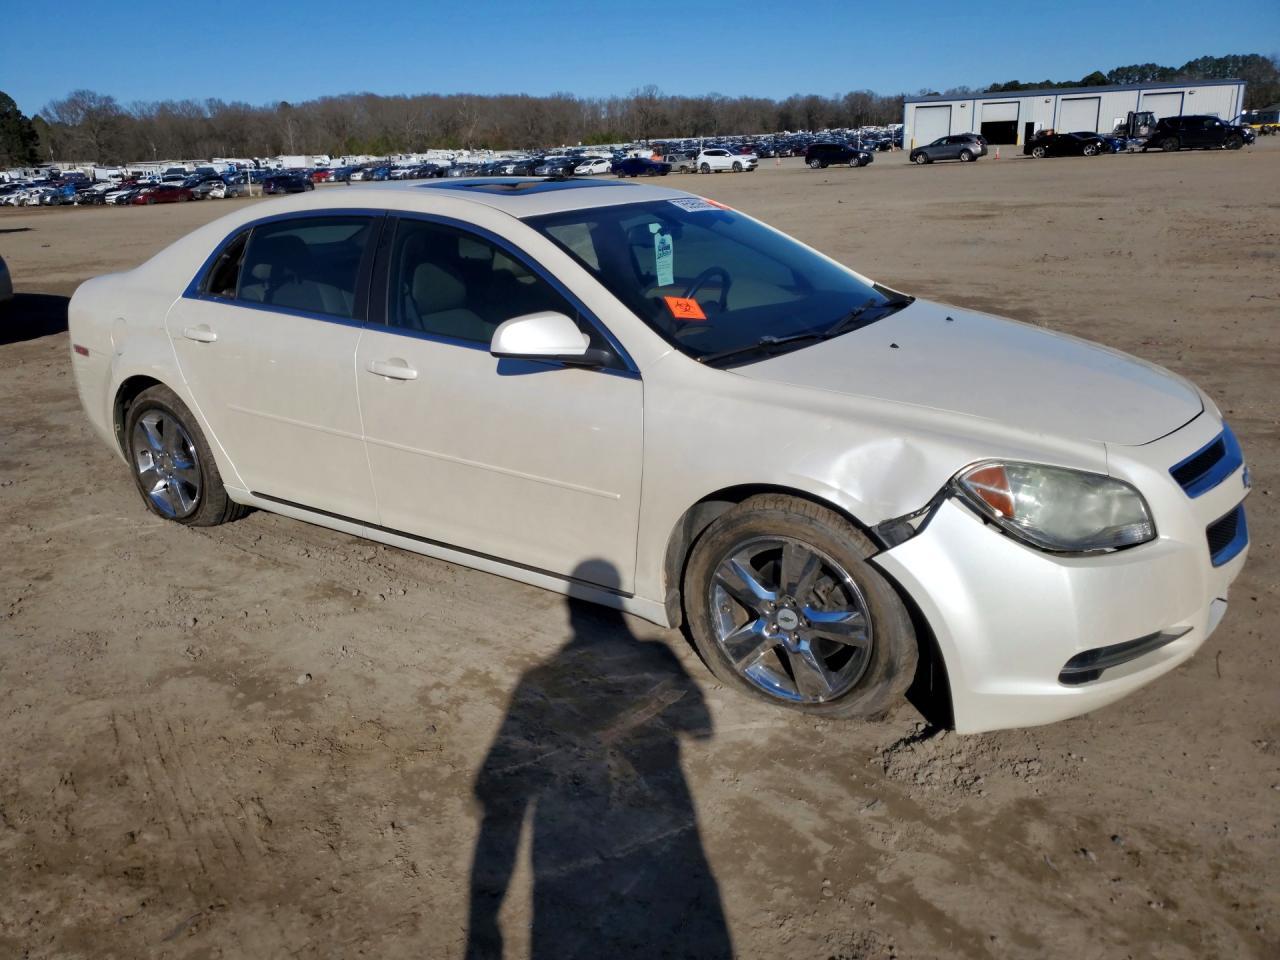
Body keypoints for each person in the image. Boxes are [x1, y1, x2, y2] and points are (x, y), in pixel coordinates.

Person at [466, 560, 731, 959]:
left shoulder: (537, 679)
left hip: (571, 862)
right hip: (660, 854)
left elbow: (491, 789)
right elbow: (703, 729)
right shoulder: (656, 655)